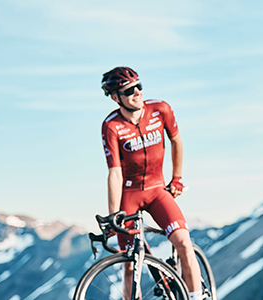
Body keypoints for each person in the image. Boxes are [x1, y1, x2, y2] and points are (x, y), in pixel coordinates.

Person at [100, 66, 202, 300]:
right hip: (130, 194)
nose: (137, 93)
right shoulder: (111, 126)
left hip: (157, 190)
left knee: (184, 244)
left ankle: (196, 296)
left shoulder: (160, 109)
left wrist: (177, 178)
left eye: (139, 86)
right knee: (128, 262)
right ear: (115, 98)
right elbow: (114, 172)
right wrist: (114, 214)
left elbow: (176, 141)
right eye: (129, 90)